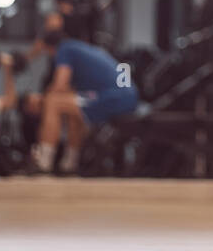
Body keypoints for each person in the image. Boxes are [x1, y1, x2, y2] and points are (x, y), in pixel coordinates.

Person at [22, 11, 138, 174]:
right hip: (126, 96)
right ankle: (69, 165)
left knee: (52, 102)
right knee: (73, 109)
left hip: (116, 97)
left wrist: (42, 98)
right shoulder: (78, 48)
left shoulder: (64, 50)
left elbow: (59, 85)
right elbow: (69, 91)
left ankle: (43, 162)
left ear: (50, 48)